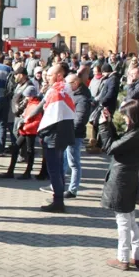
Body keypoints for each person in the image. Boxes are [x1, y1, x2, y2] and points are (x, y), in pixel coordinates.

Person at [97, 100, 139, 270]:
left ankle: (123, 258)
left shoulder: (135, 135)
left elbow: (109, 147)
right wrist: (109, 124)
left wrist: (103, 127)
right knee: (130, 219)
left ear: (134, 116)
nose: (124, 118)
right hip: (129, 177)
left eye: (126, 115)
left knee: (123, 220)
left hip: (122, 179)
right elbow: (118, 144)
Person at [32, 64, 76, 213]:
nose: (47, 78)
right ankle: (59, 199)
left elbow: (50, 114)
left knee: (54, 169)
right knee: (58, 168)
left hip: (54, 134)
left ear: (59, 76)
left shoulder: (56, 91)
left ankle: (58, 202)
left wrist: (32, 123)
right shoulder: (65, 88)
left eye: (50, 75)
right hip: (63, 132)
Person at [1, 85, 42, 179]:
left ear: (31, 95)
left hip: (30, 132)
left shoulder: (36, 105)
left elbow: (37, 121)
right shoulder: (30, 103)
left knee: (30, 151)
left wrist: (26, 126)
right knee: (16, 148)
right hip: (25, 131)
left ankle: (27, 172)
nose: (25, 98)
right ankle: (10, 171)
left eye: (27, 96)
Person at [64, 74, 93, 198]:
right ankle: (59, 185)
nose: (66, 86)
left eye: (68, 83)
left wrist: (70, 131)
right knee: (64, 161)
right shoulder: (72, 95)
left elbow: (80, 119)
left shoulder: (82, 99)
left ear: (76, 83)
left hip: (74, 135)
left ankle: (73, 189)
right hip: (66, 133)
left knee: (74, 163)